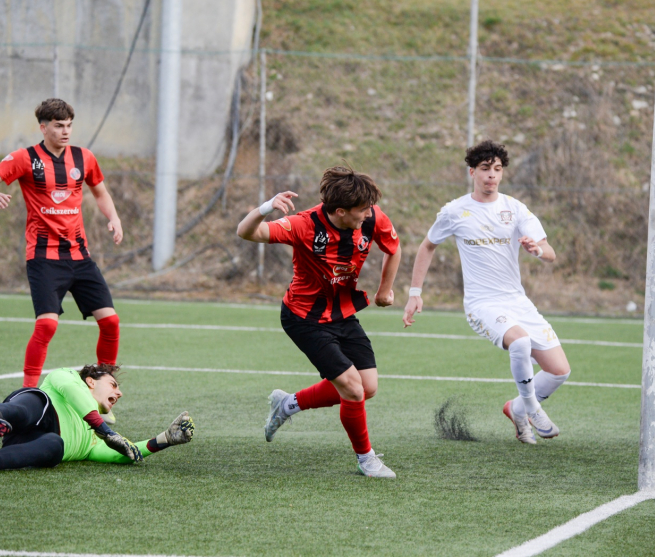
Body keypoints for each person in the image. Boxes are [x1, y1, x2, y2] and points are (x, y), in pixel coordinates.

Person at [236, 166, 401, 478]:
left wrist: (383, 293)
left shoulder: (373, 217)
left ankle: (287, 405)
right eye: (362, 210)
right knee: (352, 389)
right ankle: (366, 459)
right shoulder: (303, 225)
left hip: (342, 312)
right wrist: (265, 208)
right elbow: (246, 232)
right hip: (304, 318)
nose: (369, 215)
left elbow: (394, 249)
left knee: (368, 387)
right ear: (340, 211)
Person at [402, 140, 571, 444]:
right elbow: (427, 247)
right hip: (482, 304)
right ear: (472, 173)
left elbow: (550, 252)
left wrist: (536, 249)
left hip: (517, 301)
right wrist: (415, 292)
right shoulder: (455, 211)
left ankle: (516, 409)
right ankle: (533, 408)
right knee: (519, 341)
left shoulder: (515, 209)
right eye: (485, 169)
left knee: (559, 371)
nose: (491, 175)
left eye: (497, 169)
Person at [0, 98, 123, 390]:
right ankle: (29, 393)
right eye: (58, 125)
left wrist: (114, 218)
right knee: (47, 325)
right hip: (44, 258)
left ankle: (105, 388)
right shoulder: (24, 158)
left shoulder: (84, 157)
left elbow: (100, 193)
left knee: (111, 322)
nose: (65, 131)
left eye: (69, 125)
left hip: (80, 256)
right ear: (43, 127)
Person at [0, 364, 194, 475]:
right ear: (91, 381)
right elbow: (75, 394)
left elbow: (122, 453)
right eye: (113, 385)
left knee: (55, 446)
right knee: (32, 407)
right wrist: (104, 429)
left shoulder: (94, 439)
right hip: (38, 410)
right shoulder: (66, 378)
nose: (119, 392)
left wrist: (165, 439)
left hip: (31, 442)